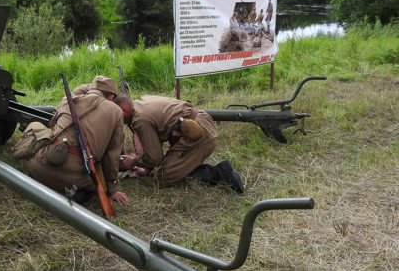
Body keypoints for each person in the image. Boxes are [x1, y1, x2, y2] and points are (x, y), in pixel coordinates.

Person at [27, 76, 131, 205]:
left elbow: (52, 131)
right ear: (111, 98)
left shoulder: (67, 100)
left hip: (38, 168)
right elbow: (112, 155)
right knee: (94, 181)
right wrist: (111, 188)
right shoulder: (115, 111)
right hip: (75, 180)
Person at [115, 95, 244, 193]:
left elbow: (155, 156)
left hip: (198, 134)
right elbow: (154, 141)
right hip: (201, 121)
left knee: (162, 178)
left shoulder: (139, 119)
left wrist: (134, 162)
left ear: (122, 110)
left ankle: (220, 173)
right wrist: (146, 168)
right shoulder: (143, 100)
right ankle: (186, 165)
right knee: (169, 166)